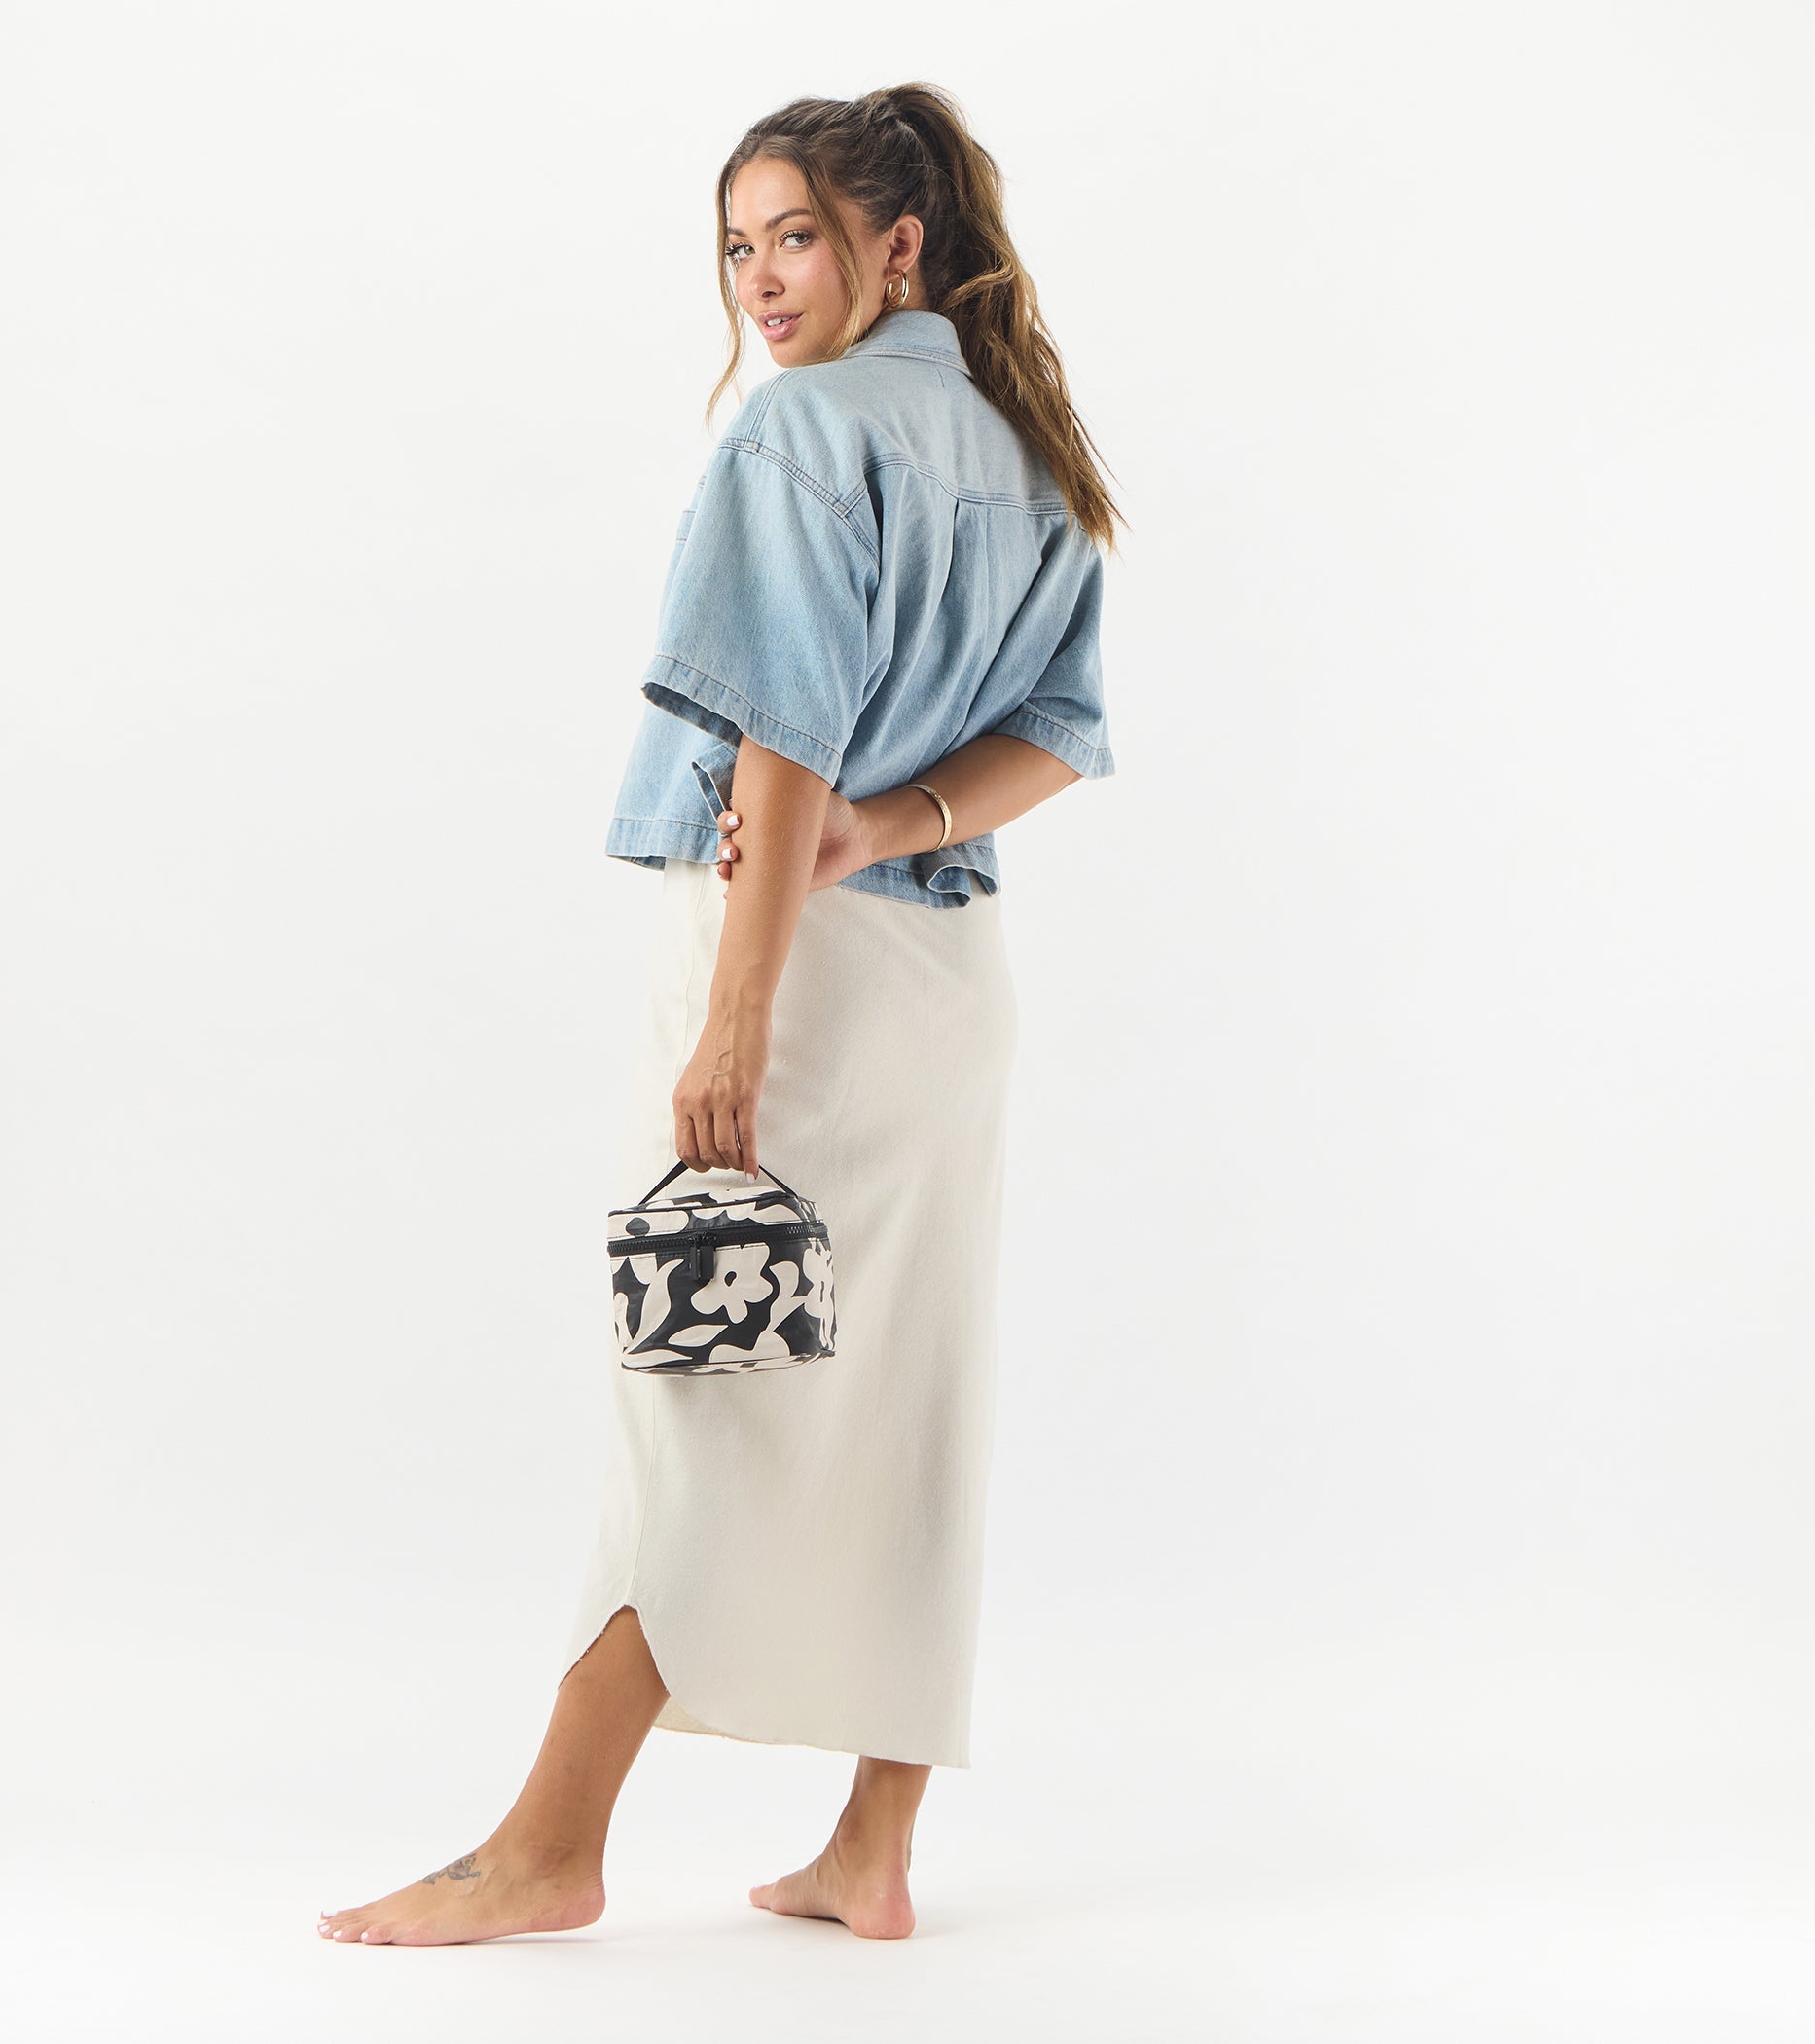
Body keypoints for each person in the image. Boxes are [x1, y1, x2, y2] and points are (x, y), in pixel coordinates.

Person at [319, 80, 1119, 1949]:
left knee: (689, 1389)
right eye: (738, 246)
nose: (761, 281)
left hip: (798, 974)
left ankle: (547, 1846)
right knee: (912, 1403)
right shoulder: (1025, 443)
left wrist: (740, 1011)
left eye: (795, 239)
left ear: (894, 246)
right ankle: (873, 1851)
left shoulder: (805, 429)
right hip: (948, 990)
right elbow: (1057, 738)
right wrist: (895, 829)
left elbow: (777, 739)